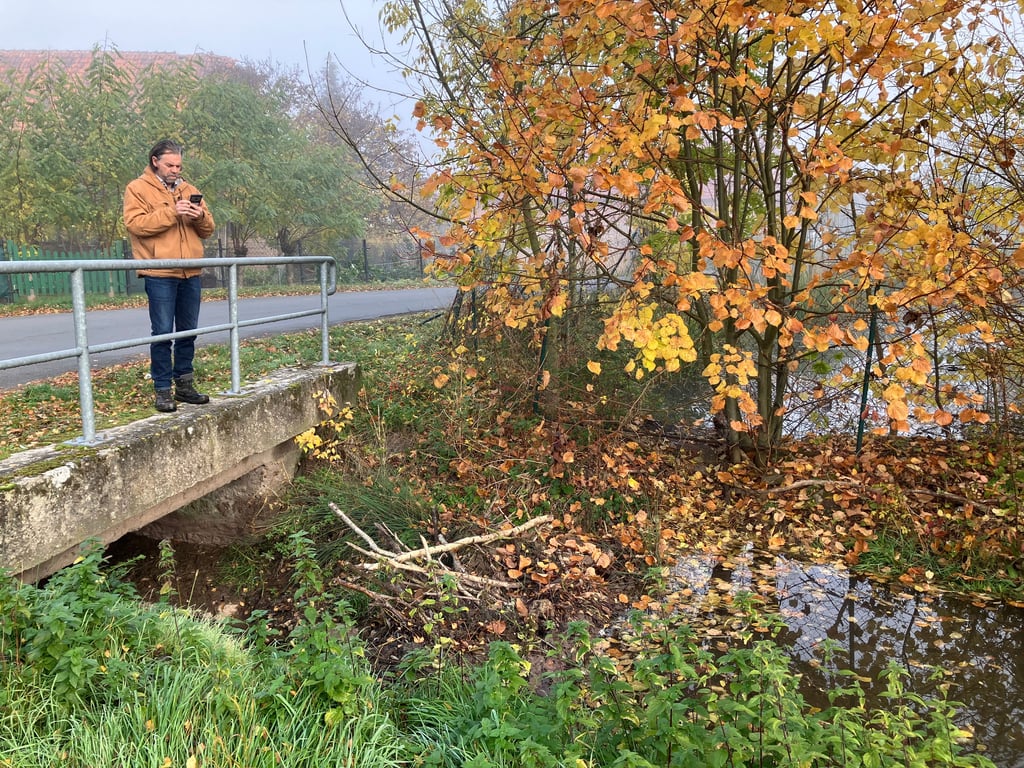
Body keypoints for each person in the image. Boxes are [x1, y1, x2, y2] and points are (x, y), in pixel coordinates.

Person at [123, 140, 216, 412]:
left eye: (179, 166)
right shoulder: (137, 188)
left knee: (188, 331)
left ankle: (185, 386)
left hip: (190, 271)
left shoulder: (190, 190)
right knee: (162, 333)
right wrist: (171, 212)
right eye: (170, 165)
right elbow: (135, 225)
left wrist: (199, 216)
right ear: (155, 161)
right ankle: (163, 390)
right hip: (160, 271)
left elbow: (208, 229)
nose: (175, 170)